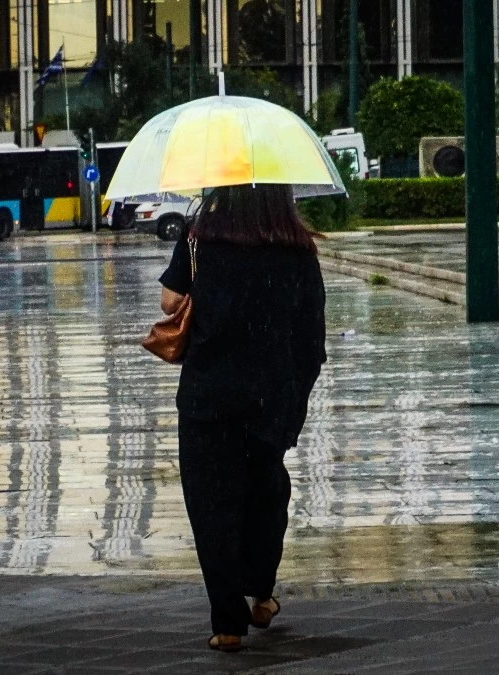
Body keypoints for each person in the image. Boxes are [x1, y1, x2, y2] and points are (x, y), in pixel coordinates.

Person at [158, 183, 327, 652]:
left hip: (206, 397)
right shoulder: (296, 249)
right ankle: (263, 593)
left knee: (211, 506)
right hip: (270, 398)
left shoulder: (198, 238)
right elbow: (312, 338)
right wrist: (295, 398)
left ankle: (227, 623)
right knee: (266, 496)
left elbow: (169, 304)